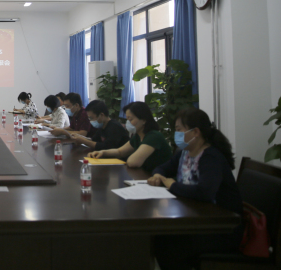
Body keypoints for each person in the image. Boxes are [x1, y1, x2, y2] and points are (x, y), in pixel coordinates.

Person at [149, 108, 243, 270]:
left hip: (221, 229)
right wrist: (158, 175)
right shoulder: (184, 153)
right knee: (160, 238)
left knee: (167, 245)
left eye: (179, 130)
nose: (176, 135)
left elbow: (204, 192)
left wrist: (172, 185)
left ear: (196, 132)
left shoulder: (210, 157)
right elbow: (163, 168)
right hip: (197, 219)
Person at [87, 102, 172, 172]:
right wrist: (102, 152)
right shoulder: (138, 136)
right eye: (127, 119)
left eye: (130, 119)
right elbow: (120, 151)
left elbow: (133, 162)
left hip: (161, 180)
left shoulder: (153, 136)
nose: (128, 122)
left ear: (144, 120)